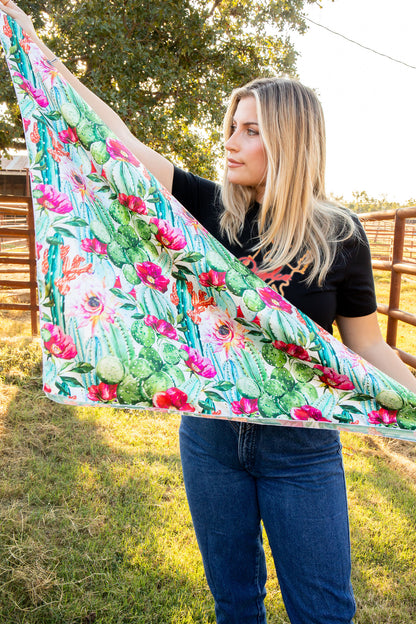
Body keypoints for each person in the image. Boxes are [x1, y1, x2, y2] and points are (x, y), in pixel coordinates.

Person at [2, 2, 416, 623]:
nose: (230, 140)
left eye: (251, 129)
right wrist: (44, 55)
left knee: (324, 610)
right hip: (209, 438)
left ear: (290, 139)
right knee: (235, 604)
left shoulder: (340, 235)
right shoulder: (207, 210)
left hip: (301, 450)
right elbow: (116, 141)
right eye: (231, 125)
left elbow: (367, 345)